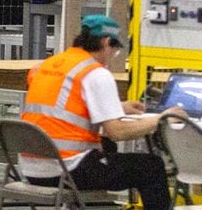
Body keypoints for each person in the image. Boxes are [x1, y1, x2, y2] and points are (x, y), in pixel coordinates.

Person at [21, 14, 186, 210]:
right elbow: (116, 132)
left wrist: (117, 107)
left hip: (31, 167)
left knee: (107, 149)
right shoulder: (95, 73)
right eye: (115, 50)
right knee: (151, 166)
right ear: (106, 42)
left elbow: (61, 105)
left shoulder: (47, 65)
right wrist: (162, 119)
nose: (113, 56)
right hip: (67, 170)